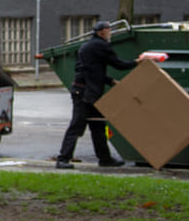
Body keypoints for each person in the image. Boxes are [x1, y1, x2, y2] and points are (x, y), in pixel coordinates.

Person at [56, 21, 138, 169]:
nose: (110, 33)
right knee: (77, 125)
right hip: (85, 93)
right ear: (101, 32)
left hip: (85, 91)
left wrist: (110, 81)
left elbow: (91, 70)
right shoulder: (101, 46)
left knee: (98, 124)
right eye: (108, 31)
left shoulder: (86, 46)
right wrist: (138, 62)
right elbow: (119, 64)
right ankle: (63, 159)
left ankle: (105, 159)